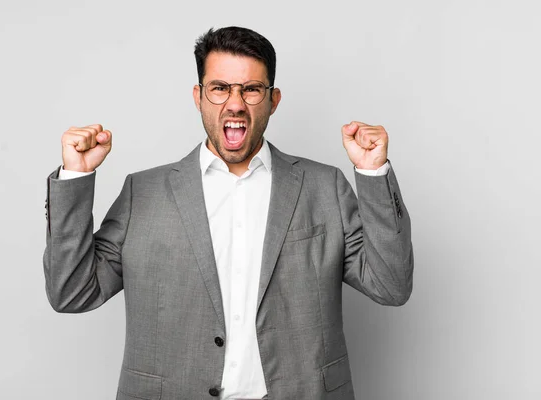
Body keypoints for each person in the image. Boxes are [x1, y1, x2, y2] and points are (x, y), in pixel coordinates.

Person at [43, 26, 413, 400]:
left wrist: (372, 173)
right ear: (199, 96)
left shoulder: (324, 187)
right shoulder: (144, 193)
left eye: (251, 89)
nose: (234, 104)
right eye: (219, 88)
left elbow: (391, 286)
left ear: (273, 100)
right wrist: (75, 175)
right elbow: (71, 293)